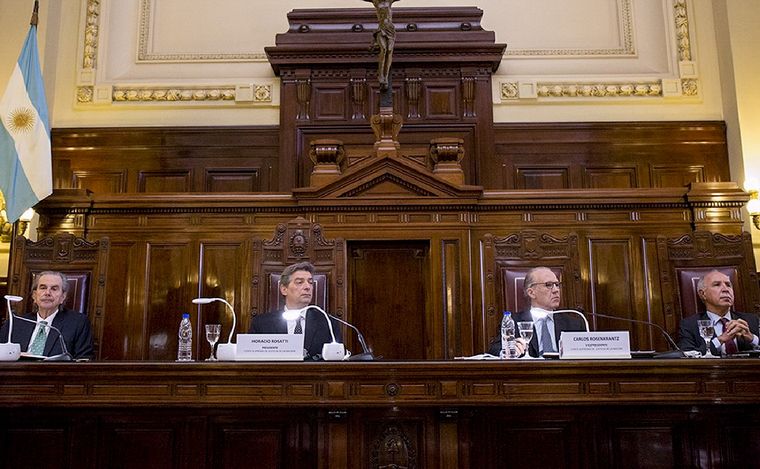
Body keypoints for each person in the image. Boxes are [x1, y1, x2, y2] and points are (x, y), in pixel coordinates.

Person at [248, 262, 343, 360]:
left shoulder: (328, 323)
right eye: (299, 282)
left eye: (310, 282)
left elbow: (336, 360)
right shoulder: (262, 324)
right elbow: (252, 360)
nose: (307, 287)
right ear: (284, 289)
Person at [488, 267, 586, 357]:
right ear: (531, 293)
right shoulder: (513, 322)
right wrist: (509, 350)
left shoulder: (574, 324)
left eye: (557, 285)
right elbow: (494, 349)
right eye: (549, 285)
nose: (556, 290)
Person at [0, 271, 94, 360]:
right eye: (43, 288)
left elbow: (83, 360)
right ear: (34, 295)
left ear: (63, 297)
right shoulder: (15, 324)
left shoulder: (78, 323)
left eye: (54, 289)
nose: (47, 293)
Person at [677, 270, 759, 355]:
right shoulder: (689, 325)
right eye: (717, 285)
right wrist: (720, 340)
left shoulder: (752, 320)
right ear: (703, 294)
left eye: (728, 285)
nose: (725, 289)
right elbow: (687, 356)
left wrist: (753, 339)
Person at [364, 0, 399, 90]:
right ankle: (381, 76)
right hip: (381, 29)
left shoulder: (389, 1)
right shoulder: (376, 1)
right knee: (383, 50)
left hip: (390, 29)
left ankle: (386, 77)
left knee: (389, 51)